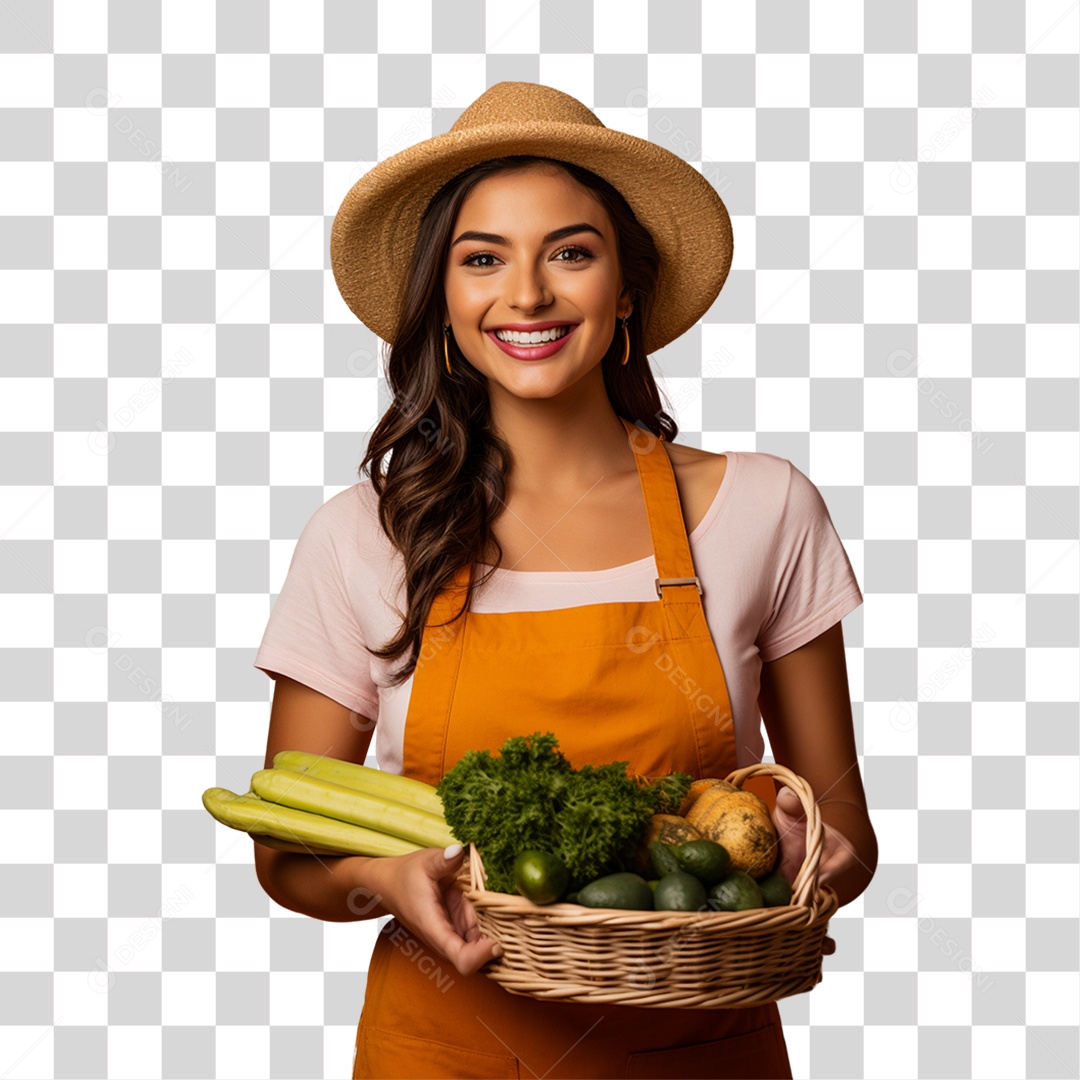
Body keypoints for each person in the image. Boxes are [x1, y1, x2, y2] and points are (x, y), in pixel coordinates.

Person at [251, 81, 877, 1079]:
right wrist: (388, 877)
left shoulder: (766, 509)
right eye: (482, 258)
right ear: (444, 297)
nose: (528, 294)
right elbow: (283, 848)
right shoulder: (363, 537)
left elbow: (848, 829)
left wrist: (813, 855)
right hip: (441, 1053)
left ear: (625, 286)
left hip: (696, 1054)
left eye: (571, 253)